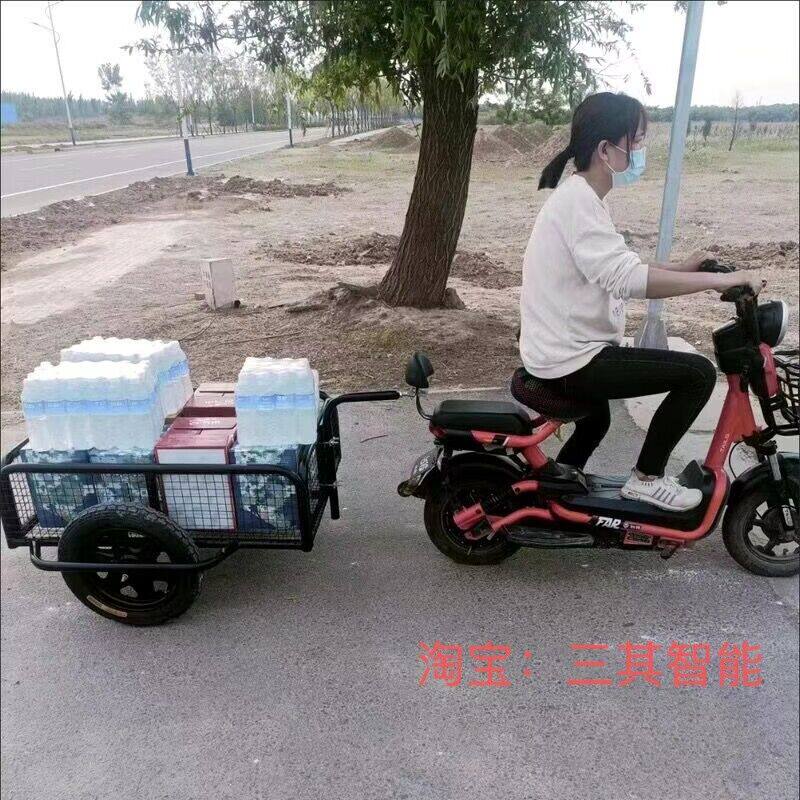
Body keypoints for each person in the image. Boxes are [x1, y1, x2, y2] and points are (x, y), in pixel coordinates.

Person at [517, 92, 763, 512]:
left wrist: (683, 267)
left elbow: (618, 265)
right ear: (605, 150)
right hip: (571, 358)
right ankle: (647, 478)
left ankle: (557, 491)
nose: (640, 150)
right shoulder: (578, 204)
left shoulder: (581, 199)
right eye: (637, 141)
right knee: (698, 374)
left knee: (597, 419)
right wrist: (718, 281)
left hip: (566, 350)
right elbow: (628, 279)